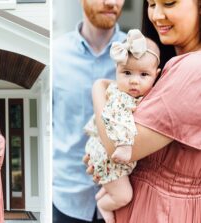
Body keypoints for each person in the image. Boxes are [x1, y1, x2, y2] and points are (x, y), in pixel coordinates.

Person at [85, 0, 201, 222]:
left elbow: (114, 144)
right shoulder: (173, 64)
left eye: (169, 3)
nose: (157, 15)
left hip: (162, 211)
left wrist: (98, 88)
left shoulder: (193, 69)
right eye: (151, 4)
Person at [53, 0, 126, 222]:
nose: (111, 2)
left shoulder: (141, 55)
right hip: (67, 200)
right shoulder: (55, 54)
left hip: (125, 201)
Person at [84, 29, 160, 223]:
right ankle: (104, 205)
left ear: (156, 75)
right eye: (126, 73)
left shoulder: (140, 96)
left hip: (107, 154)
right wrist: (125, 146)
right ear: (116, 71)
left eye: (144, 74)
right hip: (108, 154)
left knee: (118, 188)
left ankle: (103, 196)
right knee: (124, 196)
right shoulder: (120, 96)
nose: (134, 80)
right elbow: (117, 120)